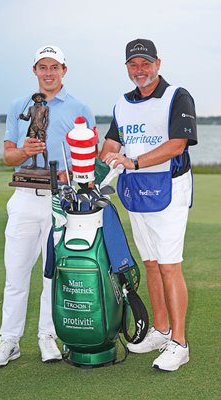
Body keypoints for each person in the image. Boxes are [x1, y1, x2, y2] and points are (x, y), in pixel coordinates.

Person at [0, 45, 95, 367]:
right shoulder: (19, 106)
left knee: (52, 274)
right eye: (42, 67)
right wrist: (23, 150)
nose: (49, 73)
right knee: (16, 274)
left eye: (55, 67)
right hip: (23, 199)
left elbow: (88, 159)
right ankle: (9, 341)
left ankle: (47, 336)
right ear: (34, 70)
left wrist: (71, 173)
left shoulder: (80, 108)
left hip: (59, 200)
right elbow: (8, 156)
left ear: (64, 70)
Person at [100, 38, 197, 372]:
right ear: (126, 67)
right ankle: (160, 329)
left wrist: (134, 161)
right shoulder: (122, 104)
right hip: (136, 191)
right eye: (133, 64)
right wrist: (109, 155)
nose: (139, 70)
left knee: (170, 265)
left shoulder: (177, 96)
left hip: (168, 188)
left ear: (158, 62)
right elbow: (111, 144)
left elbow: (177, 144)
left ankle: (179, 343)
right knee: (151, 262)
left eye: (145, 63)